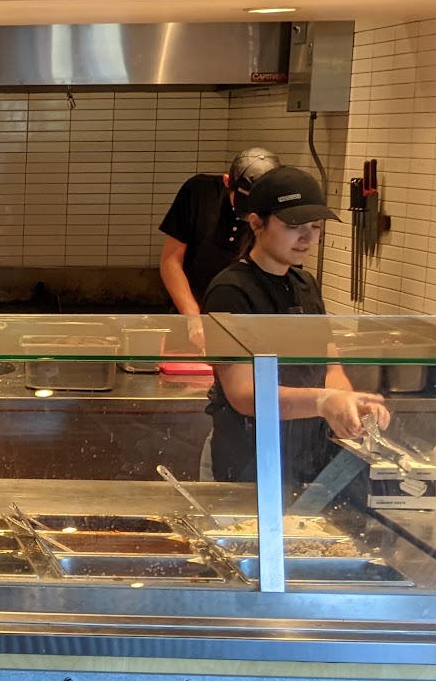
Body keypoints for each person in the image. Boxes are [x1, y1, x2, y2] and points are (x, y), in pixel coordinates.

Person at [201, 166, 390, 489]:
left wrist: (349, 404)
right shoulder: (230, 291)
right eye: (293, 226)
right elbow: (243, 395)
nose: (307, 238)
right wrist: (323, 402)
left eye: (314, 227)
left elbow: (330, 366)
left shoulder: (306, 284)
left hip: (307, 456)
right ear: (256, 223)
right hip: (248, 460)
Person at [158, 146, 282, 319]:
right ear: (227, 181)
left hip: (248, 318)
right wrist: (194, 318)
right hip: (191, 311)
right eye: (243, 203)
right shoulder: (199, 191)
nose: (251, 215)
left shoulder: (277, 213)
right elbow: (170, 261)